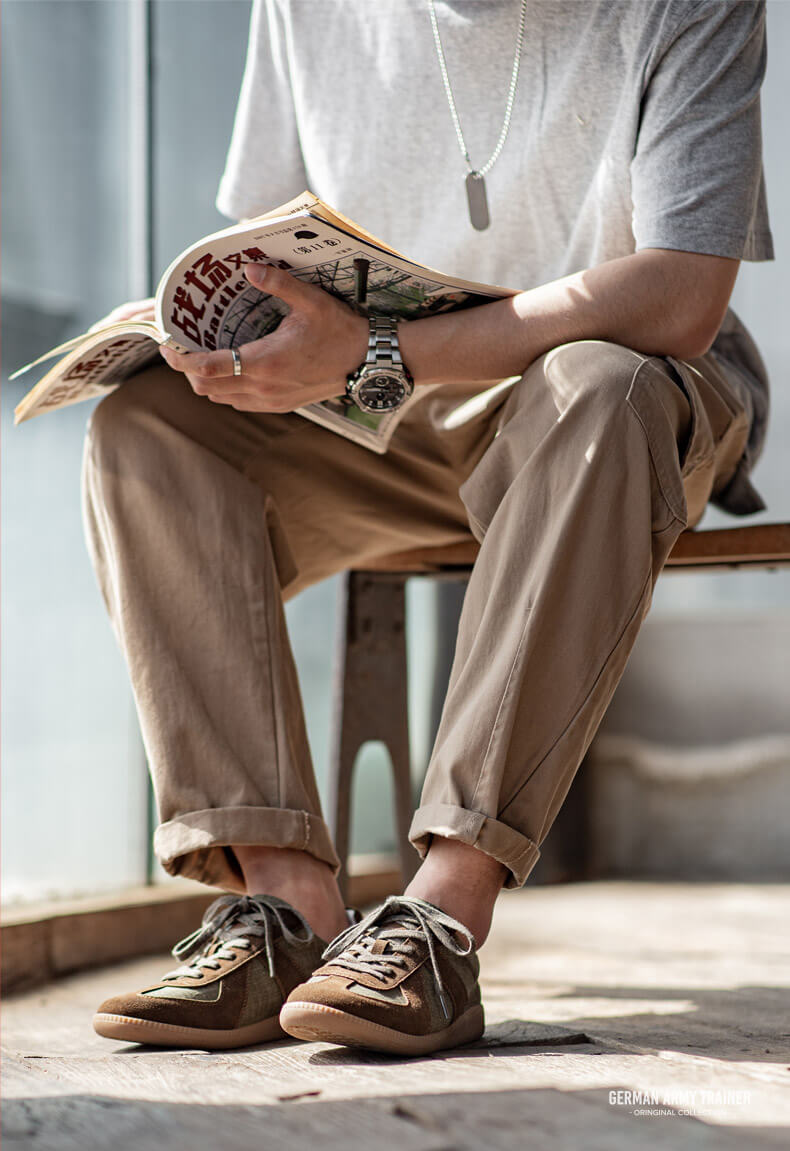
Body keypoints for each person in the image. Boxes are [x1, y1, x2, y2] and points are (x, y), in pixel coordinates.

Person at [85, 0, 772, 1056]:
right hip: (383, 422)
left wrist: (384, 348)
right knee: (149, 427)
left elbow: (677, 296)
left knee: (599, 382)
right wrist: (224, 341)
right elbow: (265, 244)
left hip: (615, 401)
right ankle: (286, 910)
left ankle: (441, 919)